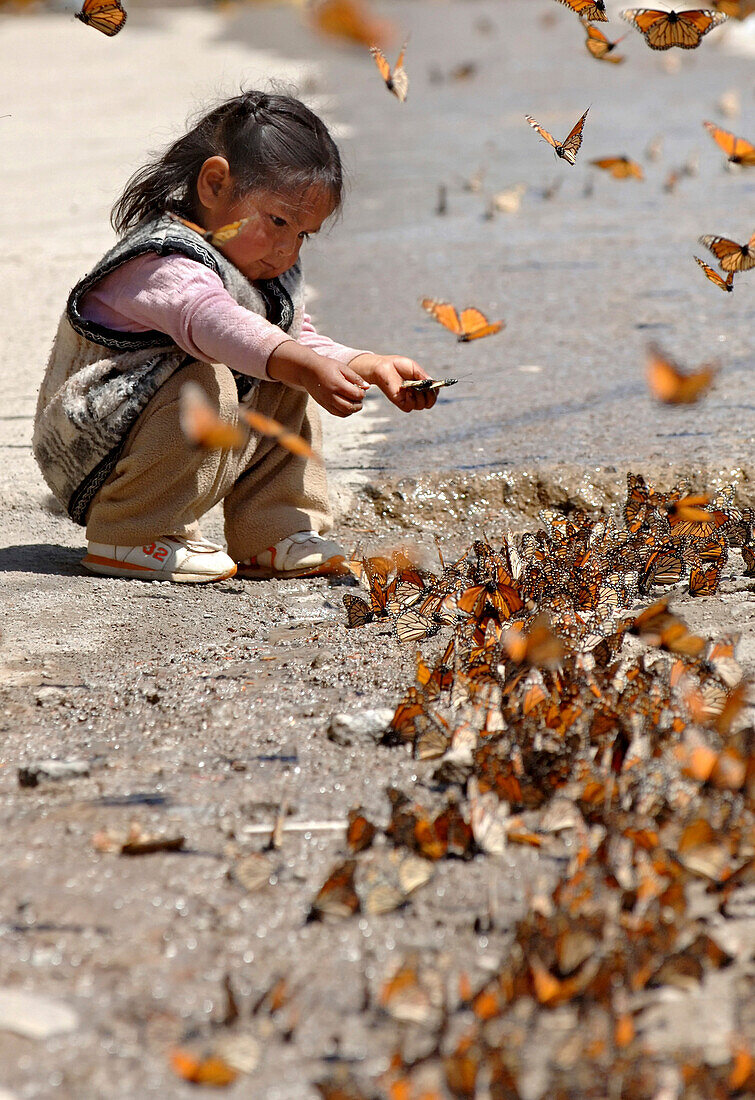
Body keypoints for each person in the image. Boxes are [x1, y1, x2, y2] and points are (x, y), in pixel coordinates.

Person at [33, 90, 436, 583]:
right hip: (97, 447)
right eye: (278, 222)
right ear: (215, 183)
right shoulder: (163, 260)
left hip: (163, 444)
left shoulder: (254, 266)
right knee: (215, 377)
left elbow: (289, 339)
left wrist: (364, 363)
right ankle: (129, 534)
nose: (287, 248)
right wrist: (300, 361)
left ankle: (274, 530)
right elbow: (214, 322)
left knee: (291, 374)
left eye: (303, 234)